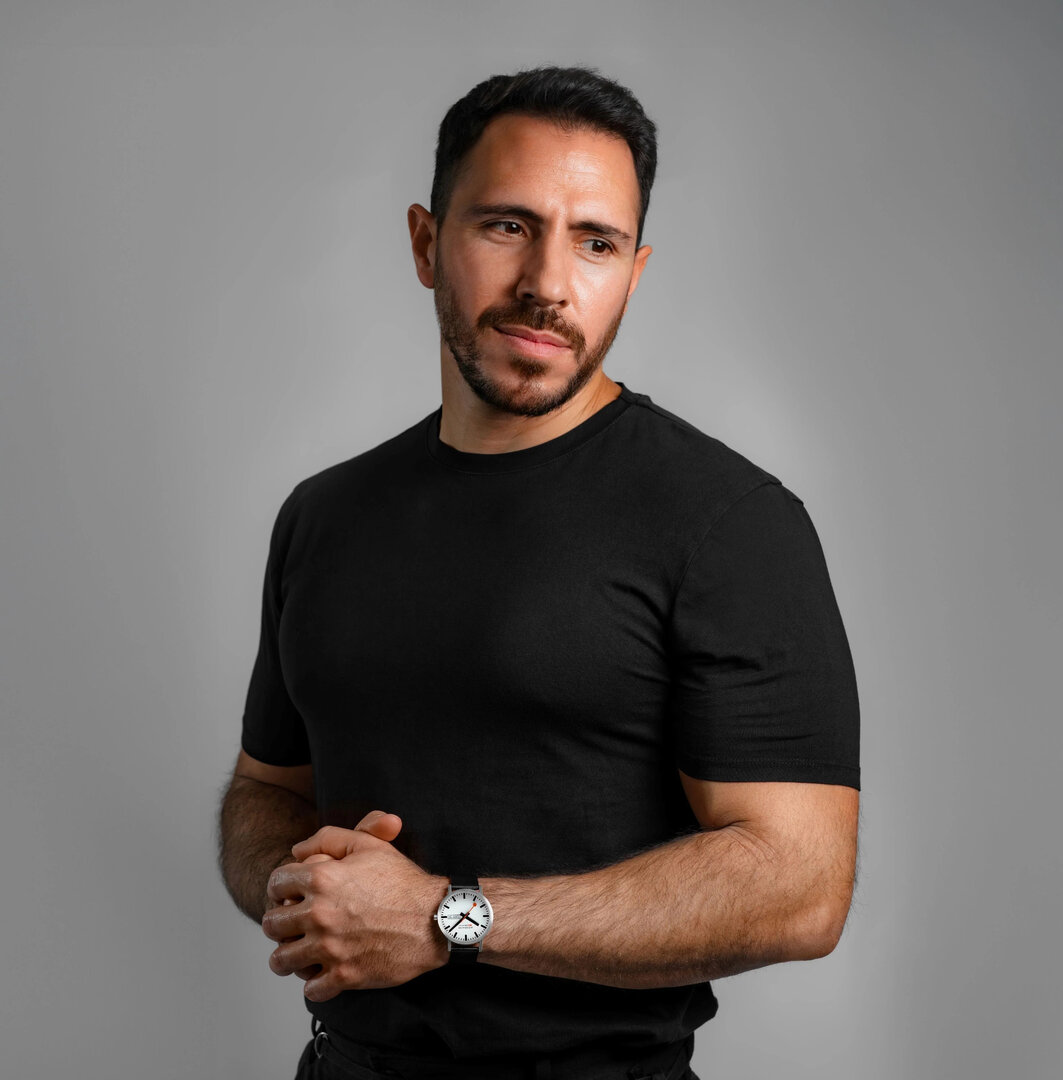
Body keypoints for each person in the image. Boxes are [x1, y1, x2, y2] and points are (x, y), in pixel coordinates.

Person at [217, 65, 860, 1080]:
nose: (547, 284)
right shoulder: (325, 516)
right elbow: (263, 791)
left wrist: (443, 918)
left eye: (595, 242)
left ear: (633, 272)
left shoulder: (729, 523)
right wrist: (301, 885)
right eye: (508, 226)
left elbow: (801, 887)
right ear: (427, 243)